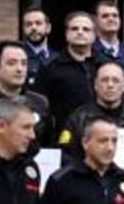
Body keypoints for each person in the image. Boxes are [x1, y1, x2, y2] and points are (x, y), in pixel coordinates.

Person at [56, 62, 124, 162]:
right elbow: (65, 157)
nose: (110, 85)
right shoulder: (78, 119)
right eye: (104, 80)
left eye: (116, 80)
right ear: (95, 85)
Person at [34, 11, 101, 143]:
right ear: (66, 34)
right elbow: (39, 106)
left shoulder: (105, 66)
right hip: (63, 140)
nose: (80, 32)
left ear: (95, 35)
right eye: (74, 28)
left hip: (100, 136)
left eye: (86, 29)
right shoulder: (50, 68)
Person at [21, 7, 55, 85]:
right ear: (23, 29)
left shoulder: (58, 58)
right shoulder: (16, 56)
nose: (33, 27)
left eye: (38, 23)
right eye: (28, 24)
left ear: (48, 28)